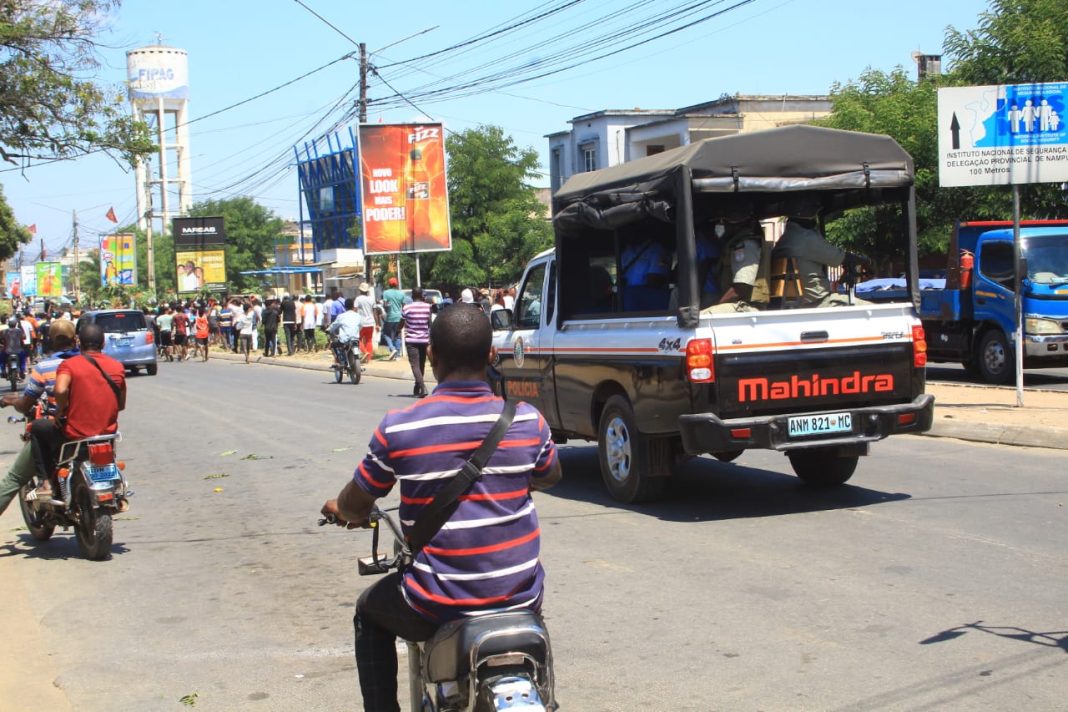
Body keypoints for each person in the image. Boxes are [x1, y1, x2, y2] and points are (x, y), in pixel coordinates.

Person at [320, 304, 561, 712]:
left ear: (431, 356)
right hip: (520, 596)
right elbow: (550, 474)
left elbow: (357, 500)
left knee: (369, 610)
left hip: (436, 602)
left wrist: (343, 510)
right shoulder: (528, 421)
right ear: (491, 356)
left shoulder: (399, 426)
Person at [29, 323, 126, 496]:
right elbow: (121, 405)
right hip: (107, 432)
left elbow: (60, 390)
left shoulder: (70, 365)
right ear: (103, 343)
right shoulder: (117, 366)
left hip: (75, 434)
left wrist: (60, 410)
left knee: (37, 427)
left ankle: (45, 483)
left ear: (79, 342)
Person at [0, 319, 78, 506]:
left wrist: (11, 401)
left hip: (63, 427)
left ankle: (45, 482)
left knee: (14, 477)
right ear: (75, 340)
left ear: (50, 340)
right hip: (93, 427)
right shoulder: (88, 363)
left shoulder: (45, 367)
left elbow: (26, 403)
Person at [772, 201, 871, 307]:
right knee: (870, 307)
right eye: (814, 215)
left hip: (795, 300)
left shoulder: (785, 239)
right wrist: (866, 261)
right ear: (807, 216)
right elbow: (840, 257)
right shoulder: (807, 238)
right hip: (818, 302)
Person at [401, 287, 433, 398]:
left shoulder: (407, 308)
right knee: (421, 364)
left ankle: (422, 386)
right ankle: (417, 386)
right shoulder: (428, 307)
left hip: (411, 340)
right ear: (422, 295)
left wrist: (396, 331)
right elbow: (430, 323)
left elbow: (402, 322)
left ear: (412, 296)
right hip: (424, 339)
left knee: (415, 365)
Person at [327, 297, 361, 371]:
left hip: (344, 340)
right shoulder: (358, 316)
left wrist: (328, 330)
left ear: (345, 307)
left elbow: (333, 326)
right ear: (353, 306)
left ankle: (338, 361)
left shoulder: (341, 316)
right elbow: (361, 326)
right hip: (355, 339)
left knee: (333, 345)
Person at [380, 277, 405, 360]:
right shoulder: (401, 293)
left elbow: (385, 305)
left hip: (390, 317)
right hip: (399, 317)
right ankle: (397, 355)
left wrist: (387, 309)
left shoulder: (386, 293)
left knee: (385, 334)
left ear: (389, 284)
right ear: (396, 284)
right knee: (397, 335)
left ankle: (392, 348)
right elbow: (404, 306)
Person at [354, 283, 377, 364]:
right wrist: (377, 323)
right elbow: (375, 313)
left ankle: (364, 352)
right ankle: (368, 359)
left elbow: (355, 310)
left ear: (360, 290)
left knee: (357, 339)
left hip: (361, 323)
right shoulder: (371, 299)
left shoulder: (358, 299)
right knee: (369, 340)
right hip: (371, 323)